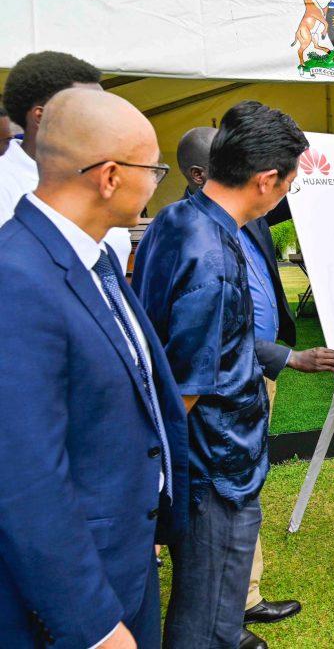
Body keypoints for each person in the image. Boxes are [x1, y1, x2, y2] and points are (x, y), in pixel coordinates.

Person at [175, 124, 334, 643]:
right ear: (203, 174)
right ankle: (221, 617)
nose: (267, 186)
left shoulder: (251, 210)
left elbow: (300, 193)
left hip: (254, 373)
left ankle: (243, 598)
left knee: (245, 485)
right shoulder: (193, 235)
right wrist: (288, 356)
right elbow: (216, 332)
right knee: (221, 498)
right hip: (220, 383)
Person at [0, 89, 188, 648]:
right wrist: (94, 626)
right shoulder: (18, 278)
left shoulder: (98, 255)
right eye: (152, 169)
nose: (156, 181)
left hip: (126, 549)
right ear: (109, 176)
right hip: (75, 598)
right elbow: (25, 479)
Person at [133, 101, 309, 648]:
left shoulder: (176, 220)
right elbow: (184, 391)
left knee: (207, 599)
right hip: (215, 467)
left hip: (210, 460)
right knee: (208, 615)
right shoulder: (212, 258)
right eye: (287, 184)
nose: (286, 195)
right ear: (265, 180)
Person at [0, 51, 131, 271]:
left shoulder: (101, 176)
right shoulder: (5, 182)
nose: (102, 121)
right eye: (89, 111)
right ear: (42, 117)